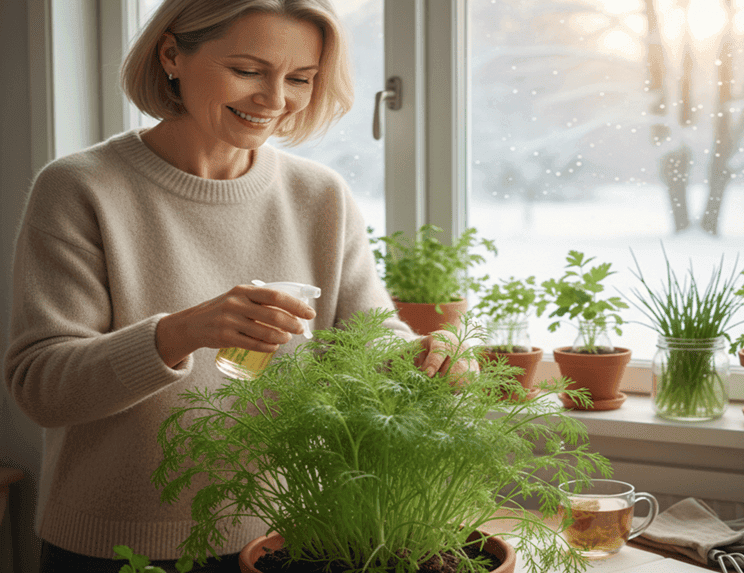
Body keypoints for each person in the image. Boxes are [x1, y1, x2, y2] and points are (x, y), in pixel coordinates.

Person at [3, 1, 472, 571]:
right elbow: (41, 387)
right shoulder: (80, 188)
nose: (275, 100)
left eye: (300, 78)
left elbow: (367, 334)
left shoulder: (320, 195)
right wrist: (178, 333)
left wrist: (417, 356)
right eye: (248, 70)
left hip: (289, 534)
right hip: (116, 543)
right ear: (172, 54)